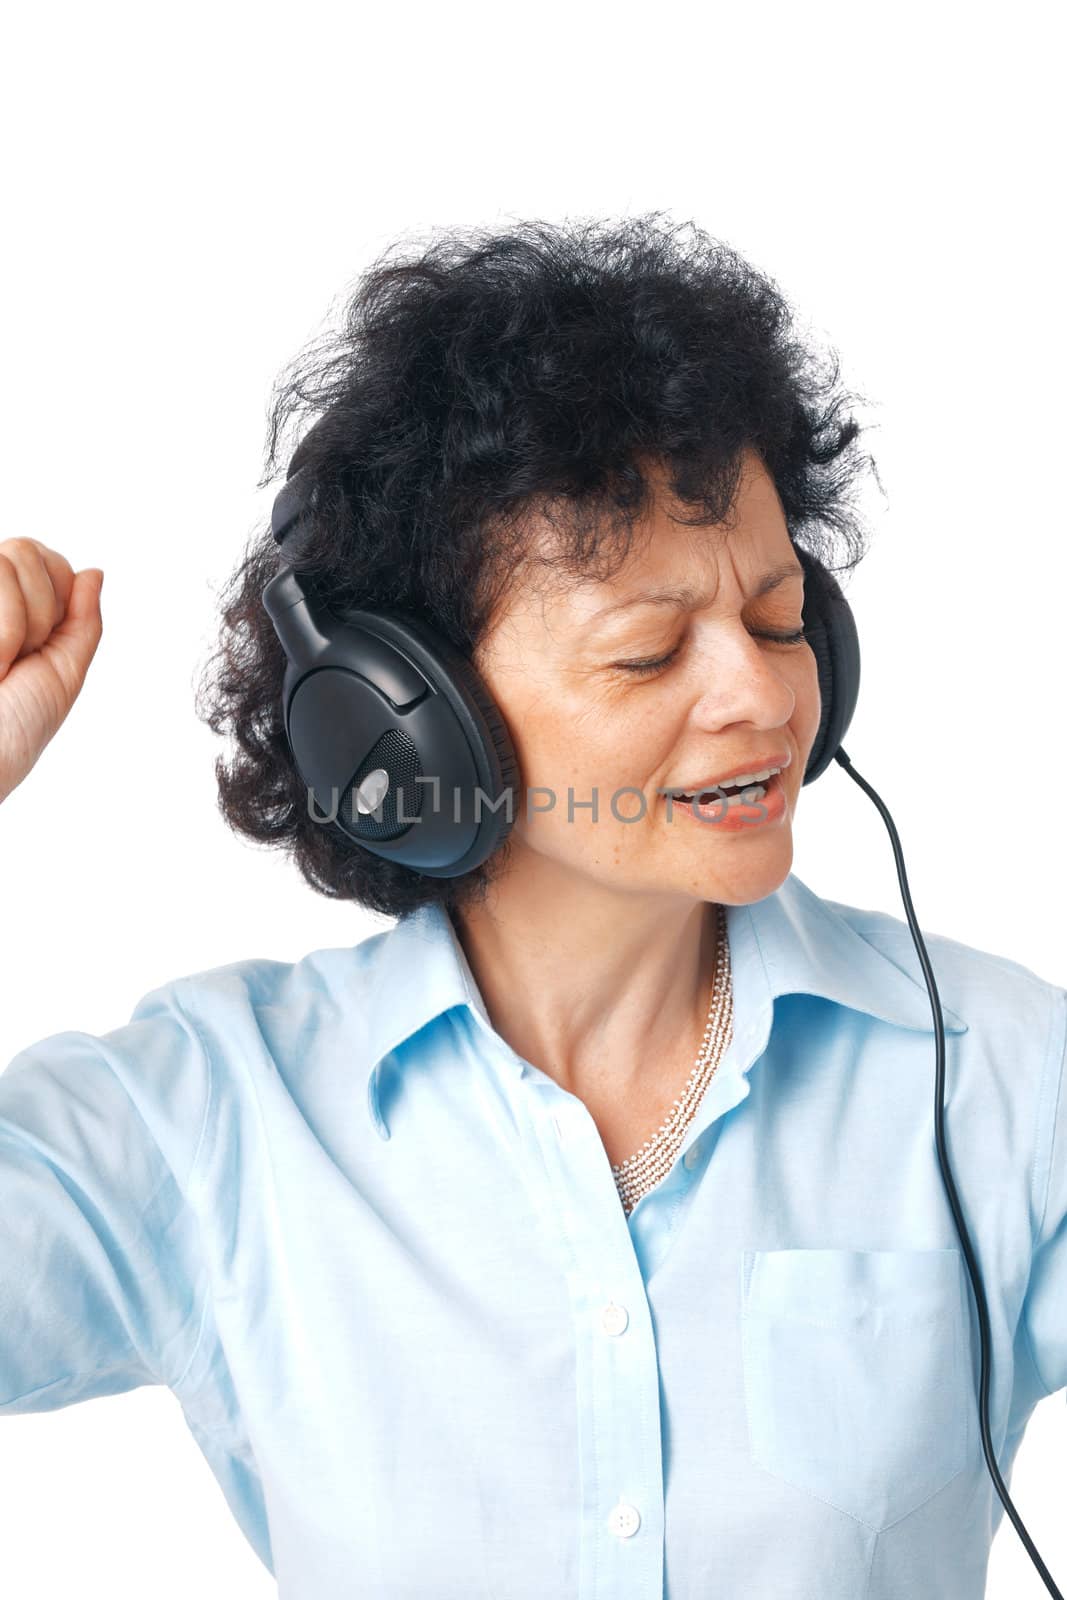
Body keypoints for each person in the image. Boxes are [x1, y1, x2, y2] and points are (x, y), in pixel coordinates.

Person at [1, 215, 1064, 1600]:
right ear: (408, 728)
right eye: (645, 653)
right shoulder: (222, 1116)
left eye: (779, 614)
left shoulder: (996, 1072)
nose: (757, 696)